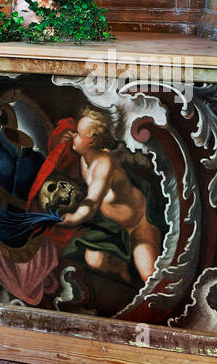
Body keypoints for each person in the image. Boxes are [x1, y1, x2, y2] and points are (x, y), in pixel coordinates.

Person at [58, 110, 162, 284]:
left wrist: (73, 218)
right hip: (113, 228)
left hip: (139, 225)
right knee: (94, 259)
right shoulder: (84, 158)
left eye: (77, 133)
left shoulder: (104, 163)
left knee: (149, 275)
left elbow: (92, 201)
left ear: (91, 140)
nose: (72, 136)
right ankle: (121, 267)